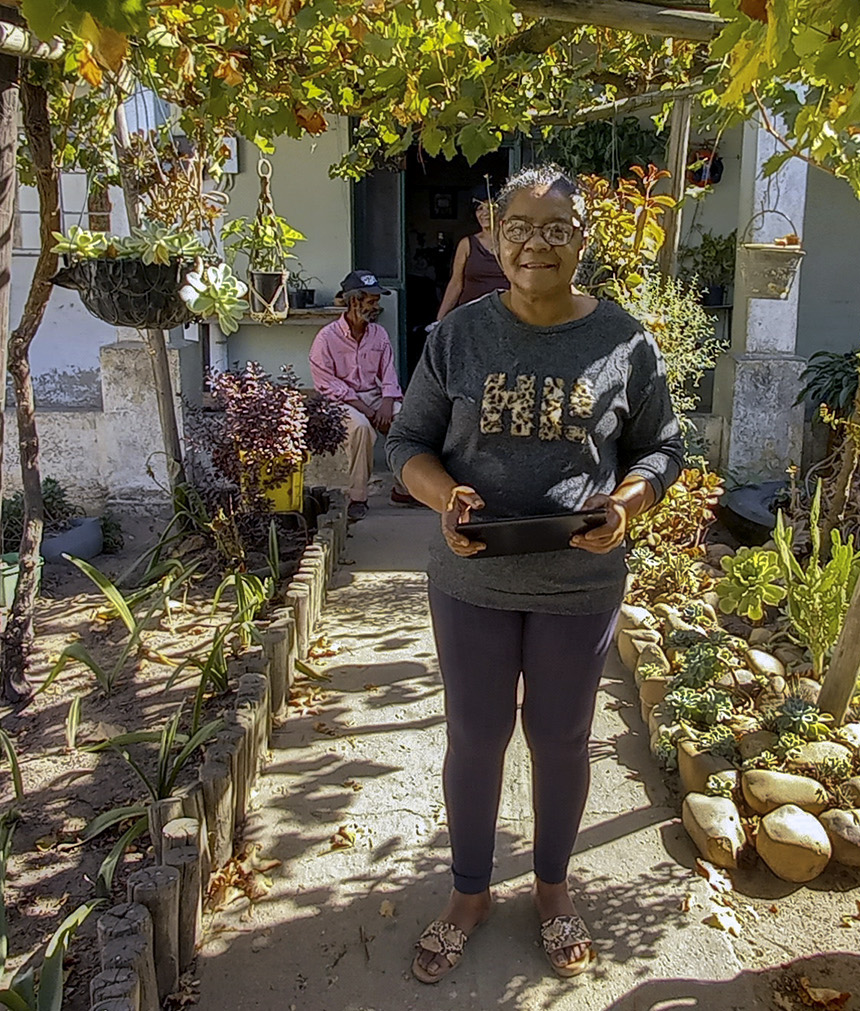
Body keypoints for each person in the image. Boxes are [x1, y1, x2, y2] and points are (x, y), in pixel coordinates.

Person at [386, 165, 682, 985]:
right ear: (493, 234)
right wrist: (446, 497)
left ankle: (553, 890)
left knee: (560, 740)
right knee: (476, 738)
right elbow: (404, 443)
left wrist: (626, 502)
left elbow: (665, 446)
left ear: (583, 238)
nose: (535, 245)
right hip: (472, 577)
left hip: (579, 584)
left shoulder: (624, 340)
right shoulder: (458, 338)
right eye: (519, 227)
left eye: (557, 229)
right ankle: (470, 893)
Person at [310, 270, 403, 521]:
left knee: (405, 421)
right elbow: (328, 385)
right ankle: (358, 497)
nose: (377, 307)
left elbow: (389, 374)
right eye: (371, 301)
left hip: (375, 397)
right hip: (342, 402)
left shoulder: (379, 334)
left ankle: (404, 488)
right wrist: (368, 411)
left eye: (377, 301)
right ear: (354, 302)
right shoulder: (326, 338)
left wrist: (387, 402)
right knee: (361, 428)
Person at [434, 189, 510, 321]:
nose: (485, 213)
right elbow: (456, 283)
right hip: (471, 317)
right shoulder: (467, 244)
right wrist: (440, 320)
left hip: (504, 316)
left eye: (490, 207)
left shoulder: (512, 243)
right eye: (480, 208)